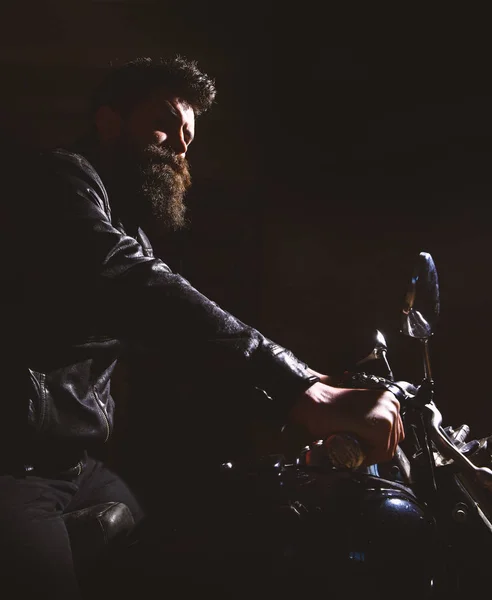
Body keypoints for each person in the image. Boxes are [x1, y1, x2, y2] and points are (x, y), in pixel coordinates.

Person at [0, 56, 404, 597]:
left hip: (75, 465)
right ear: (109, 120)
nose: (180, 148)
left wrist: (281, 424)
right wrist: (300, 386)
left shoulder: (129, 224)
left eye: (189, 138)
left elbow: (180, 343)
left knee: (183, 559)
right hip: (14, 467)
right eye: (165, 124)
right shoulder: (59, 182)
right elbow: (131, 281)